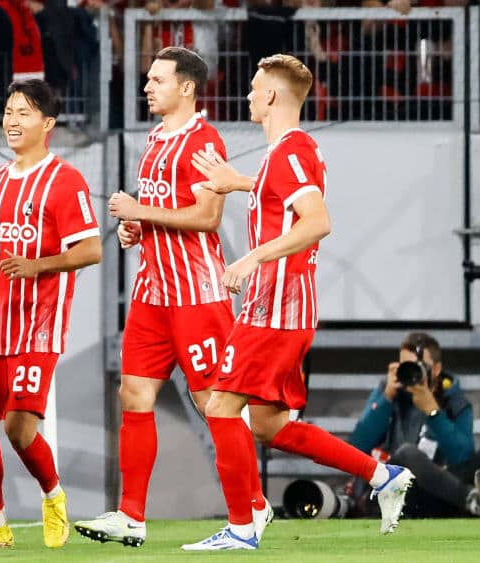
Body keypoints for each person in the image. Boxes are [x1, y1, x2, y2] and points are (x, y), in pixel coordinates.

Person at [184, 53, 413, 550]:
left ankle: (243, 526)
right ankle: (382, 475)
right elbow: (282, 195)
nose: (248, 95)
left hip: (275, 307)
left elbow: (317, 220)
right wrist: (238, 182)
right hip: (288, 307)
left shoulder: (289, 150)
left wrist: (251, 258)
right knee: (269, 425)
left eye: (253, 87)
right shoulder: (290, 151)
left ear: (270, 95)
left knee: (220, 407)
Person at [72, 46, 252, 548]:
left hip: (196, 292)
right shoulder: (154, 138)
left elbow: (207, 217)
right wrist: (136, 227)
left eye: (158, 80)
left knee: (214, 403)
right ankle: (131, 515)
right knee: (133, 394)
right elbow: (160, 209)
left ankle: (249, 512)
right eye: (148, 79)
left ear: (186, 87)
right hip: (153, 291)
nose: (147, 87)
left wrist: (141, 212)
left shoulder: (204, 140)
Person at [0, 78, 101, 551]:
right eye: (9, 111)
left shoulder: (65, 180)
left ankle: (53, 497)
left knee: (18, 427)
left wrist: (38, 265)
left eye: (24, 113)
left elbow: (91, 249)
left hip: (38, 327)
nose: (12, 121)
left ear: (47, 123)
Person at [349, 332, 480, 518]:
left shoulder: (454, 402)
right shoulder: (388, 393)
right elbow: (357, 446)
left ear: (436, 369)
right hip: (389, 491)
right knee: (407, 453)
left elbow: (463, 458)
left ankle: (470, 501)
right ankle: (471, 500)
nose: (412, 372)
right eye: (406, 366)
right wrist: (386, 399)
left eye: (419, 366)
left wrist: (433, 412)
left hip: (435, 494)